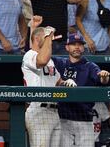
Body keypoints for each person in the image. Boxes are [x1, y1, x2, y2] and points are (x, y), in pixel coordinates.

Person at [52, 33, 110, 146]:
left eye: (80, 44)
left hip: (85, 120)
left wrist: (104, 76)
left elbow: (102, 80)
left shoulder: (90, 66)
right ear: (67, 47)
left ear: (83, 48)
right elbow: (41, 57)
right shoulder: (60, 63)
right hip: (63, 119)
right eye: (73, 44)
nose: (77, 47)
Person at [22, 16, 69, 147]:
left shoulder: (51, 61)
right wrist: (47, 35)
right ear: (37, 39)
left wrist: (67, 82)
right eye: (47, 37)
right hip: (38, 110)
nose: (50, 39)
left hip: (54, 111)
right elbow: (41, 59)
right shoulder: (29, 55)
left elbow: (58, 81)